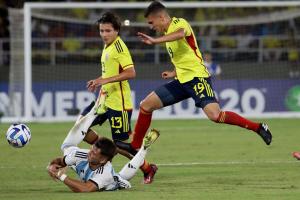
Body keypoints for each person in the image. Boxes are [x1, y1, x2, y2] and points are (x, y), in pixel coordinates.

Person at [117, 1, 272, 154]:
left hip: (197, 78)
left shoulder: (179, 23)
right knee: (146, 105)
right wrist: (174, 73)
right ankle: (135, 145)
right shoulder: (167, 35)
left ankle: (258, 127)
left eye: (151, 22)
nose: (151, 27)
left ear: (162, 17)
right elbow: (186, 57)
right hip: (182, 80)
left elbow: (180, 34)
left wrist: (155, 41)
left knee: (215, 115)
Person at [78, 11, 158, 184]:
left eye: (108, 31)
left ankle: (147, 167)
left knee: (121, 145)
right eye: (101, 31)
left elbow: (131, 73)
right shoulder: (108, 46)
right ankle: (106, 147)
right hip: (104, 101)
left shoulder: (120, 48)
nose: (104, 35)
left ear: (116, 31)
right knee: (81, 128)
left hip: (119, 104)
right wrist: (101, 83)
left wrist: (103, 80)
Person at [47, 125, 160, 192]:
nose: (90, 153)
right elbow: (60, 161)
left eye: (94, 153)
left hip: (114, 183)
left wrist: (61, 176)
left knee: (122, 176)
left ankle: (143, 149)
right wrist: (52, 166)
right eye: (92, 149)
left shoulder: (105, 173)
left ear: (103, 160)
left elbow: (86, 189)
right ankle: (143, 154)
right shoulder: (81, 154)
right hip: (100, 173)